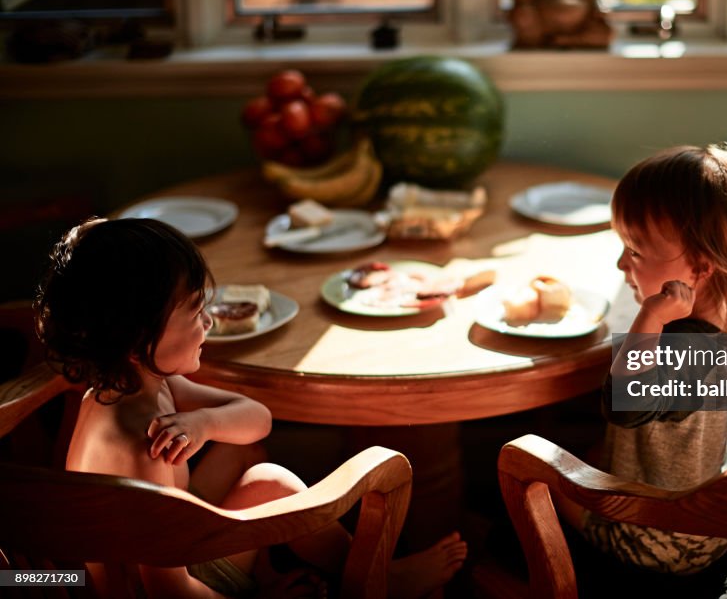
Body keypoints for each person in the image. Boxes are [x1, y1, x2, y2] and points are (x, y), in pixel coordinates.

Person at [35, 217, 467, 598]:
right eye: (194, 312)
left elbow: (257, 420)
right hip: (157, 586)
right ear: (135, 339)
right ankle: (375, 580)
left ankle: (313, 569)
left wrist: (204, 423)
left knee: (246, 453)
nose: (208, 322)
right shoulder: (139, 445)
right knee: (270, 481)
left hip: (172, 538)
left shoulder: (130, 387)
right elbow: (169, 588)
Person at [554, 143, 727, 578]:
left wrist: (649, 315)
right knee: (589, 450)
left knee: (538, 475)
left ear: (700, 267)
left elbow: (625, 404)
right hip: (708, 521)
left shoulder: (685, 352)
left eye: (636, 252)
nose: (621, 262)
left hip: (655, 540)